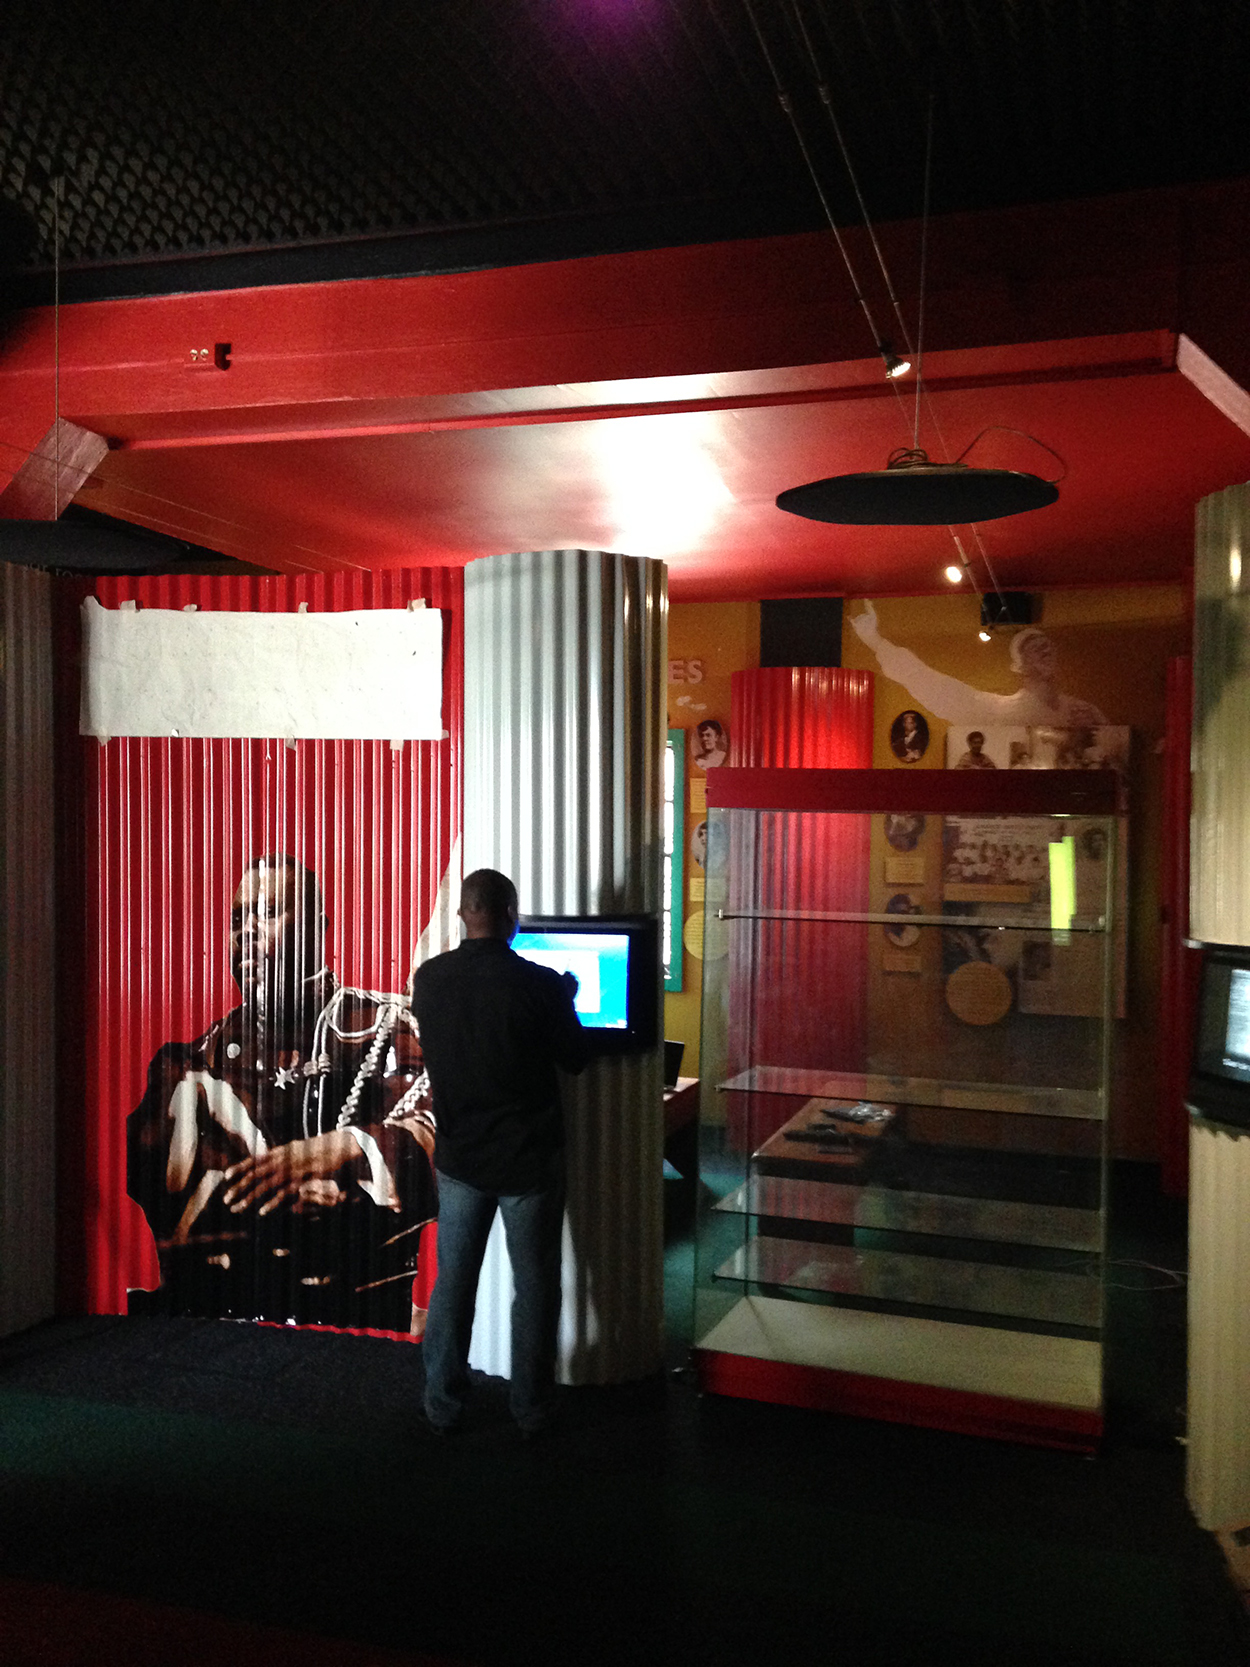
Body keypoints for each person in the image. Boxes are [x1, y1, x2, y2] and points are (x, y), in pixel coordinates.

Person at [127, 855, 437, 1331]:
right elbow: (149, 1177)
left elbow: (435, 1135)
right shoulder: (196, 1059)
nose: (246, 931)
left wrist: (338, 1152)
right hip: (216, 1328)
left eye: (268, 913)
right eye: (236, 919)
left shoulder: (385, 1026)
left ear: (317, 929)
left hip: (358, 1323)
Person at [412, 868, 590, 1437]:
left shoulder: (429, 979)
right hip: (528, 1164)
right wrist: (567, 997)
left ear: (464, 914)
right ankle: (531, 1409)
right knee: (535, 1288)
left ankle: (441, 1399)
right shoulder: (539, 985)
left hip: (461, 1159)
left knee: (453, 1283)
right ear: (512, 915)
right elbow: (576, 1059)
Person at [852, 602, 1107, 726]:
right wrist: (875, 641)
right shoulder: (998, 711)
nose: (1044, 649)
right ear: (1020, 667)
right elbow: (933, 685)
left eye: (1046, 646)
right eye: (1033, 649)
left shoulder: (1084, 712)